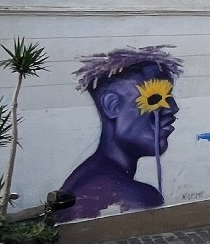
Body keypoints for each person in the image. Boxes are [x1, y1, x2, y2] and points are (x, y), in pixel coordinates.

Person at [58, 45, 183, 221]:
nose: (173, 108)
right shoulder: (135, 196)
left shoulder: (85, 177)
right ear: (113, 106)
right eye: (155, 98)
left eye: (170, 97)